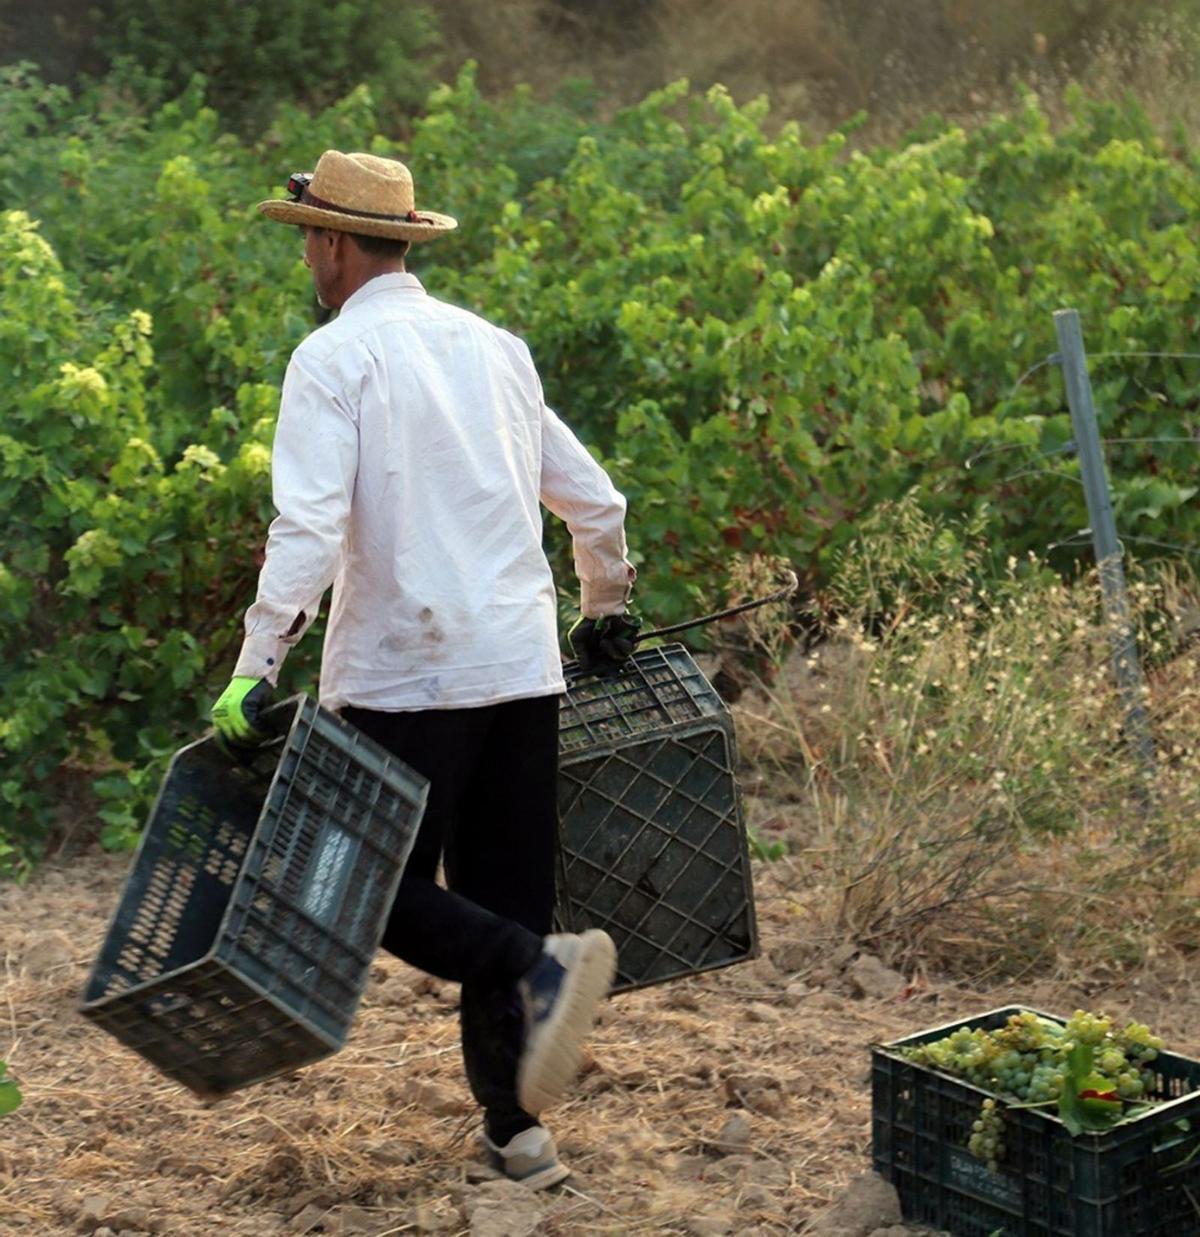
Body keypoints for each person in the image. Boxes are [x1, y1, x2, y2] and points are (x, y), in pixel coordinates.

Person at [210, 150, 642, 1189]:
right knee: (502, 892)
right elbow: (598, 502)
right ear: (406, 238)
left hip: (404, 674)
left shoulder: (332, 361)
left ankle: (536, 967)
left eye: (308, 240)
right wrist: (606, 608)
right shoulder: (495, 349)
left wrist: (255, 664)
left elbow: (307, 527)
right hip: (520, 667)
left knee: (356, 894)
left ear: (328, 243)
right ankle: (518, 1137)